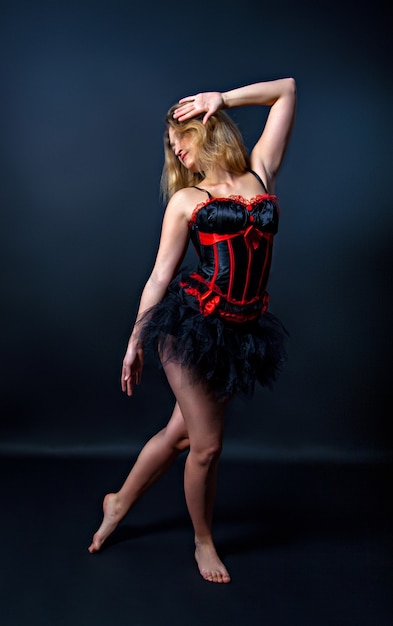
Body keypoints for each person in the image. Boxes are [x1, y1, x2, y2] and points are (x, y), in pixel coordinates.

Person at [88, 77, 297, 583]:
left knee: (180, 434)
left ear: (208, 128)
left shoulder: (260, 171)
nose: (176, 149)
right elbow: (160, 276)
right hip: (189, 331)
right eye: (170, 145)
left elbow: (287, 91)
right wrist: (135, 342)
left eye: (179, 135)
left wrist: (223, 97)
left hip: (240, 334)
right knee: (206, 445)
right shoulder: (186, 202)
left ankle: (118, 504)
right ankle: (203, 541)